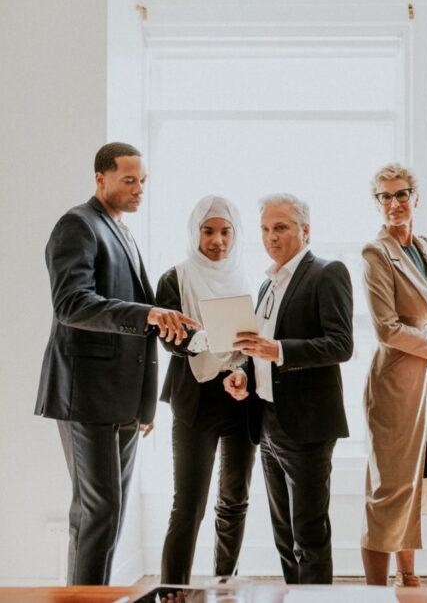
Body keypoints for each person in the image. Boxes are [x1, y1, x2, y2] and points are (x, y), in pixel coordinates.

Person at [35, 142, 198, 585]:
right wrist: (146, 314)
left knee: (102, 512)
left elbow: (139, 323)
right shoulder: (78, 225)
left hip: (121, 403)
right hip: (86, 395)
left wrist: (144, 404)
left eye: (143, 181)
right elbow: (71, 303)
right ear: (100, 179)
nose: (139, 189)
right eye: (129, 180)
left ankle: (85, 596)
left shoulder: (119, 229)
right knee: (99, 511)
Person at [224, 193, 353, 584]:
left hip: (308, 424)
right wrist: (245, 374)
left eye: (280, 227)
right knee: (284, 536)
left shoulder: (327, 272)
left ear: (305, 230)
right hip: (266, 420)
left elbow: (341, 344)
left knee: (309, 537)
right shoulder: (268, 284)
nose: (271, 237)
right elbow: (260, 349)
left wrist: (277, 350)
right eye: (265, 228)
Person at [156, 195, 256, 584]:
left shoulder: (250, 278)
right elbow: (167, 337)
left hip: (240, 397)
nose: (218, 240)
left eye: (226, 231)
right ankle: (172, 589)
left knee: (234, 501)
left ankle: (224, 584)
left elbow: (257, 342)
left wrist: (240, 366)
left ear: (236, 234)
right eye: (209, 231)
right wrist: (208, 338)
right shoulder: (175, 278)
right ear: (194, 232)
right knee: (189, 505)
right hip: (194, 400)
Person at [359, 164, 427, 587]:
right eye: (384, 196)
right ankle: (375, 590)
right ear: (376, 202)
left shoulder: (422, 246)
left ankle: (408, 577)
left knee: (415, 477)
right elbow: (385, 328)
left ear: (416, 197)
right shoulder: (376, 253)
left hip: (423, 380)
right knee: (389, 485)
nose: (394, 203)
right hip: (394, 380)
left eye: (401, 194)